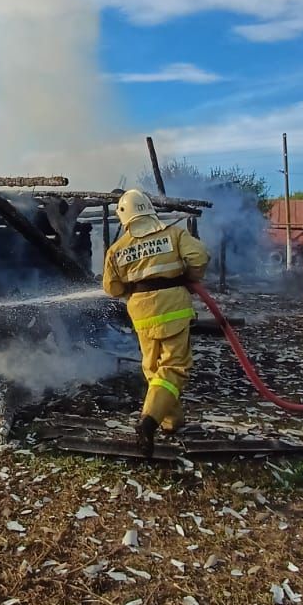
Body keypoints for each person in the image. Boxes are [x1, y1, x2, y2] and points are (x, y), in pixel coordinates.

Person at [102, 189, 210, 455]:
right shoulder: (173, 234)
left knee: (153, 368)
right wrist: (190, 278)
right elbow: (199, 257)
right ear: (148, 208)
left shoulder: (117, 250)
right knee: (174, 367)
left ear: (124, 217)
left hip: (142, 314)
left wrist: (132, 288)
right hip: (173, 307)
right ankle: (149, 421)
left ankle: (171, 421)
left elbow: (112, 288)